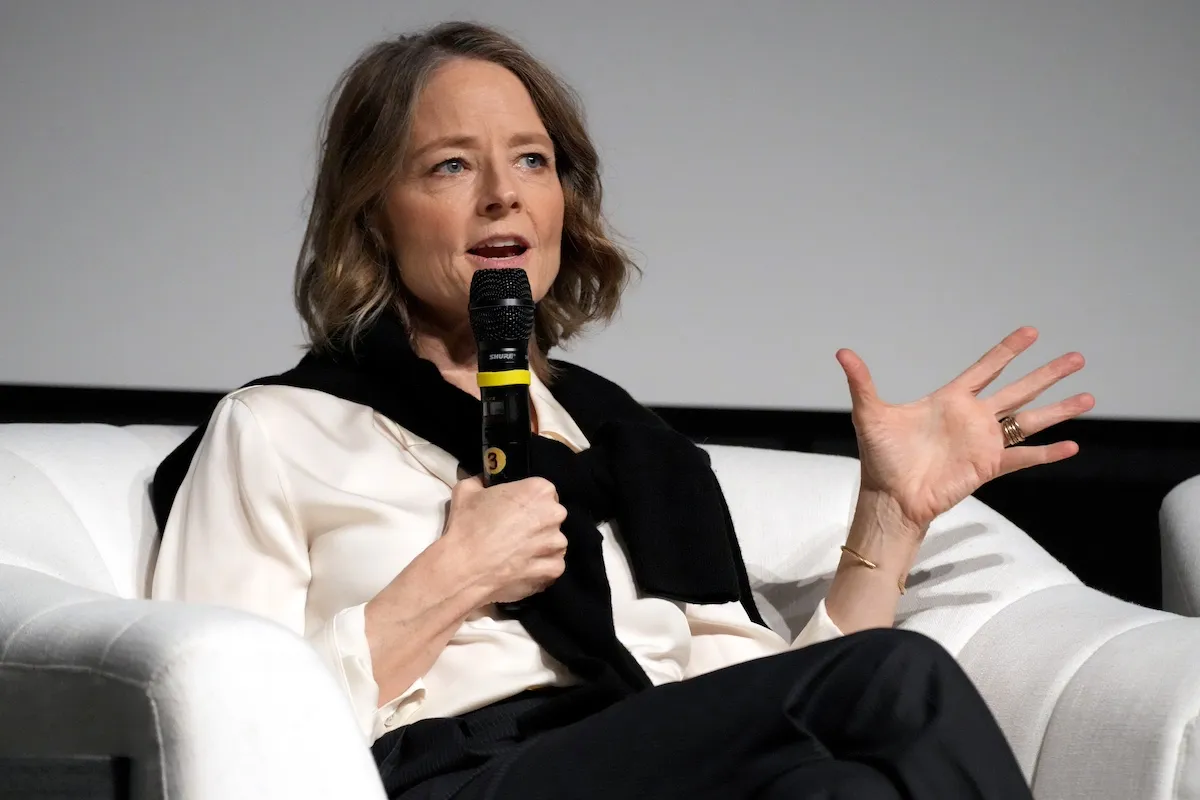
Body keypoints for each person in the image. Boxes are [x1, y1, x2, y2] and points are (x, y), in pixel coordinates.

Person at [149, 20, 1095, 800]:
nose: (502, 195)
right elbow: (217, 726)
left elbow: (751, 700)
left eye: (532, 159)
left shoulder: (636, 451)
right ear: (371, 214)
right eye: (448, 166)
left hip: (640, 757)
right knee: (900, 676)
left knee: (836, 792)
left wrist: (891, 517)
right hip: (444, 777)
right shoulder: (277, 430)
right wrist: (452, 576)